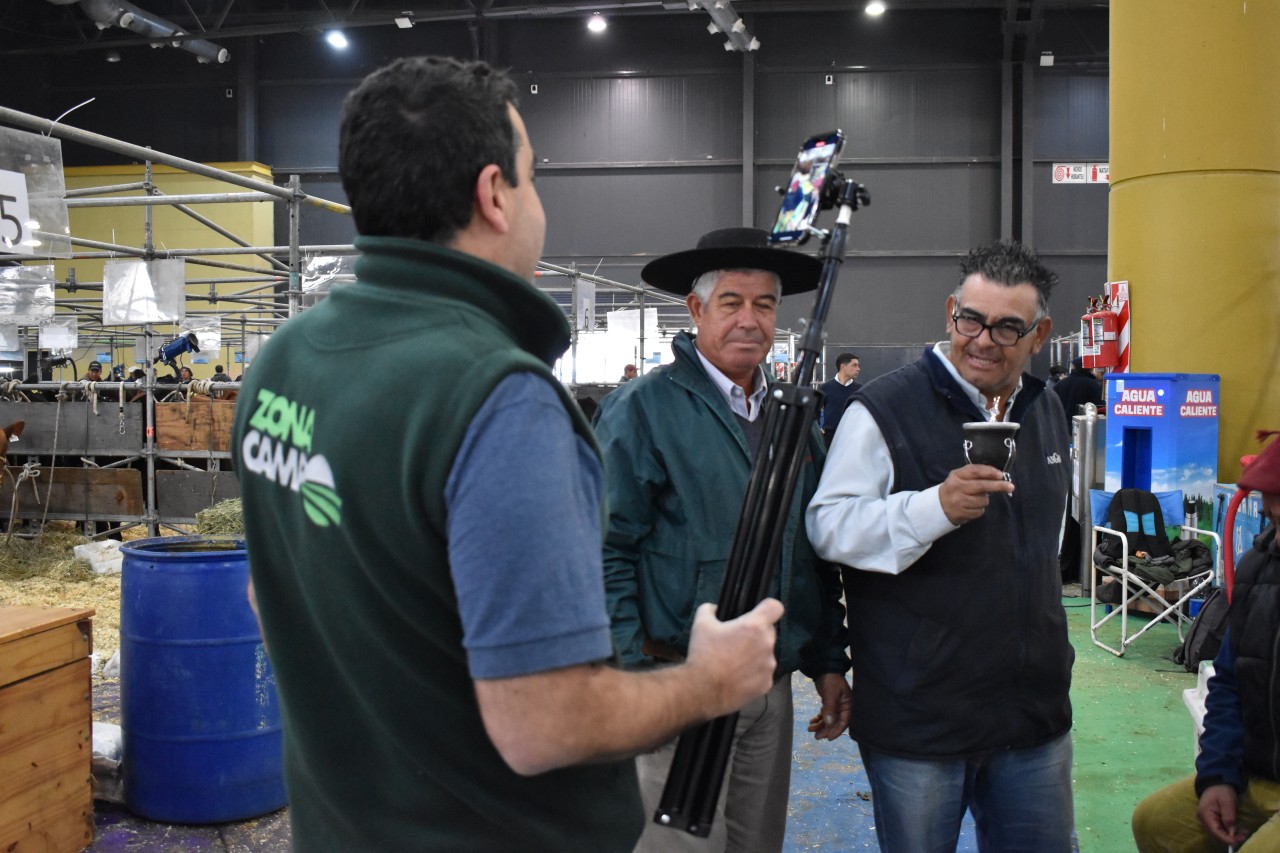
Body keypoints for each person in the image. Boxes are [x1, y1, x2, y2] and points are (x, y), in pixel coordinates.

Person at [231, 57, 784, 853]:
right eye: (533, 176)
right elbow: (542, 724)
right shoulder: (498, 398)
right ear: (494, 194)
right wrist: (708, 681)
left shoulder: (284, 361)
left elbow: (271, 595)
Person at [806, 241, 1073, 853]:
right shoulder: (883, 410)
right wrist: (933, 509)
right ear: (950, 311)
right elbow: (828, 527)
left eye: (1007, 327)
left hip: (1033, 715)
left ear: (1039, 335)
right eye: (971, 320)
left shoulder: (1045, 409)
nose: (984, 340)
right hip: (921, 720)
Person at [593, 226, 851, 853]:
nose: (749, 320)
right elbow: (604, 551)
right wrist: (632, 680)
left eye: (764, 304)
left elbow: (809, 551)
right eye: (731, 302)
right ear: (696, 309)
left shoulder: (793, 418)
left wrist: (826, 661)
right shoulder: (643, 409)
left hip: (768, 687)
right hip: (675, 682)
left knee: (756, 844)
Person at [1131, 432, 1280, 852]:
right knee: (1156, 824)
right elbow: (1230, 681)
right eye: (1271, 515)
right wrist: (1218, 776)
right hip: (1257, 774)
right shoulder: (1257, 568)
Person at [819, 352, 861, 446]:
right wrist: (818, 428)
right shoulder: (825, 388)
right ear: (843, 367)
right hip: (829, 438)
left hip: (852, 438)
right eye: (854, 365)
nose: (858, 369)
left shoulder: (859, 390)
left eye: (858, 366)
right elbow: (815, 410)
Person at [1053, 355, 1105, 431]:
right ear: (1090, 369)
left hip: (1062, 427)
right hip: (1085, 428)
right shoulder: (1092, 384)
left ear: (1073, 367)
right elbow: (1099, 406)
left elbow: (1053, 406)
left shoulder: (1060, 384)